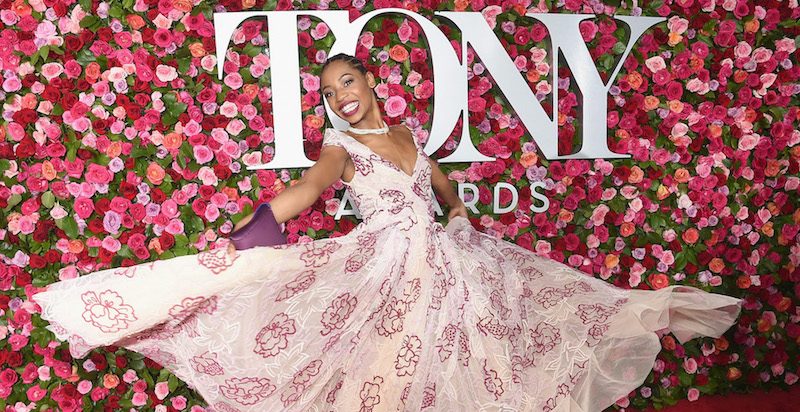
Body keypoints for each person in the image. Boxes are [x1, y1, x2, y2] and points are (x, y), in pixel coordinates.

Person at [33, 53, 741, 412]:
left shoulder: (403, 133)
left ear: (371, 80)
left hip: (451, 265)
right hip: (387, 269)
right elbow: (308, 191)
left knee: (494, 347)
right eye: (329, 91)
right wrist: (249, 232)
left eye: (348, 82)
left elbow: (438, 184)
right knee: (388, 375)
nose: (341, 94)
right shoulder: (341, 146)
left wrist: (459, 214)